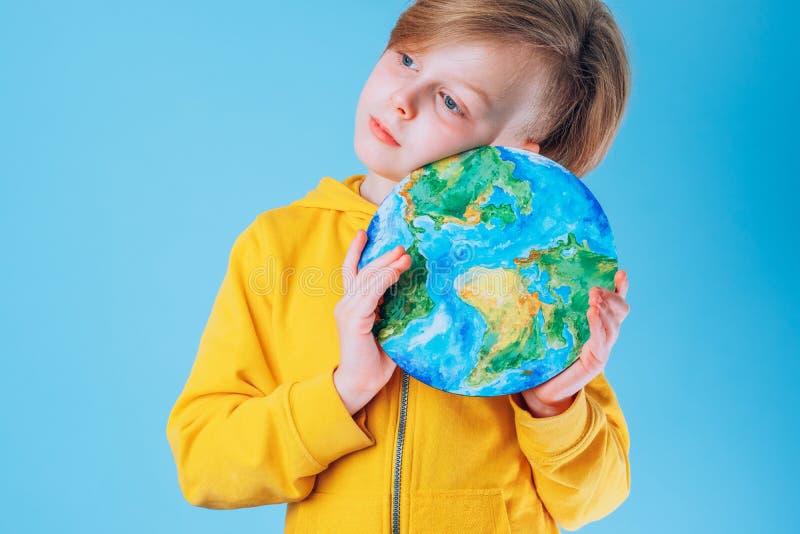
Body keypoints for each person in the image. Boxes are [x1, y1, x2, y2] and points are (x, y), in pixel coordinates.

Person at [166, 0, 633, 532]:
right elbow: (204, 462)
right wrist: (344, 392)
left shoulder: (540, 275)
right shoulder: (278, 245)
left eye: (451, 101)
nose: (402, 101)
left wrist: (554, 405)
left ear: (519, 153)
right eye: (407, 59)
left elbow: (596, 497)